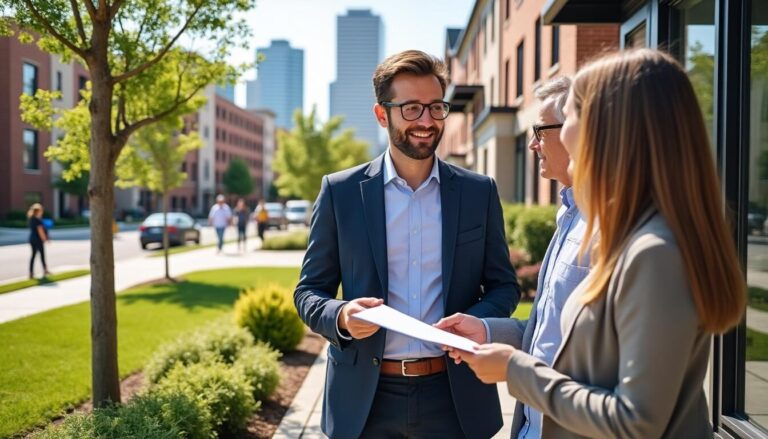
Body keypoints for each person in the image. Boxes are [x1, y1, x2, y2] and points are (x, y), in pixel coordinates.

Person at [444, 48, 746, 438]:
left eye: (568, 117)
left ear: (608, 130)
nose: (554, 137)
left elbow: (635, 421)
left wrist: (515, 370)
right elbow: (575, 344)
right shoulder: (635, 235)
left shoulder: (655, 253)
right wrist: (493, 335)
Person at [293, 50, 520, 439]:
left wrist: (479, 323)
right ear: (383, 115)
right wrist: (343, 316)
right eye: (412, 108)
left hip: (455, 396)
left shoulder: (477, 192)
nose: (427, 121)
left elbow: (504, 286)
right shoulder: (340, 192)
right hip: (365, 400)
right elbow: (309, 292)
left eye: (435, 107)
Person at [435, 76, 590, 439]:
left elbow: (619, 380)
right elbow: (553, 332)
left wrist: (513, 369)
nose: (533, 144)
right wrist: (488, 329)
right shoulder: (569, 215)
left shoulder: (611, 229)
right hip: (534, 426)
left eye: (541, 130)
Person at [27, 203, 50, 279]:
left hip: (32, 239)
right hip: (38, 240)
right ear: (38, 211)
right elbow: (40, 231)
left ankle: (31, 272)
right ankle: (45, 270)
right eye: (41, 210)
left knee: (33, 256)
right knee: (42, 255)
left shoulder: (32, 219)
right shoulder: (37, 220)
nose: (42, 212)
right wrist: (45, 239)